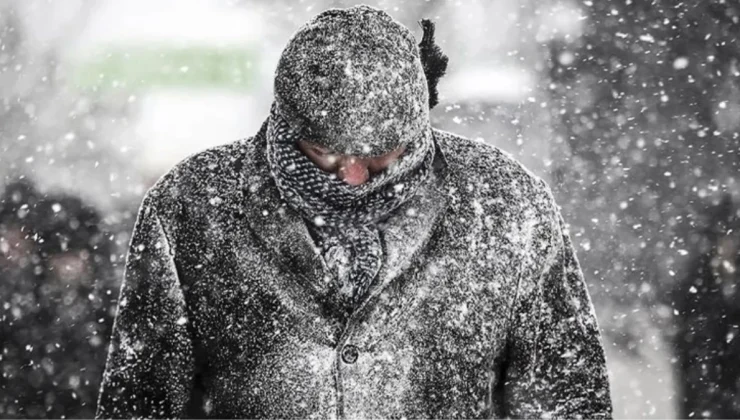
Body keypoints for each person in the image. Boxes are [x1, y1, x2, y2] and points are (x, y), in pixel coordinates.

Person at [95, 5, 613, 419]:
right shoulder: (191, 207)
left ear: (415, 129)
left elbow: (565, 397)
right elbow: (139, 400)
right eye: (324, 153)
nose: (352, 176)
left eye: (377, 155)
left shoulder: (506, 207)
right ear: (285, 125)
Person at [0, 179, 116, 419]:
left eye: (76, 252)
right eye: (60, 253)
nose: (69, 266)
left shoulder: (110, 308)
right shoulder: (20, 307)